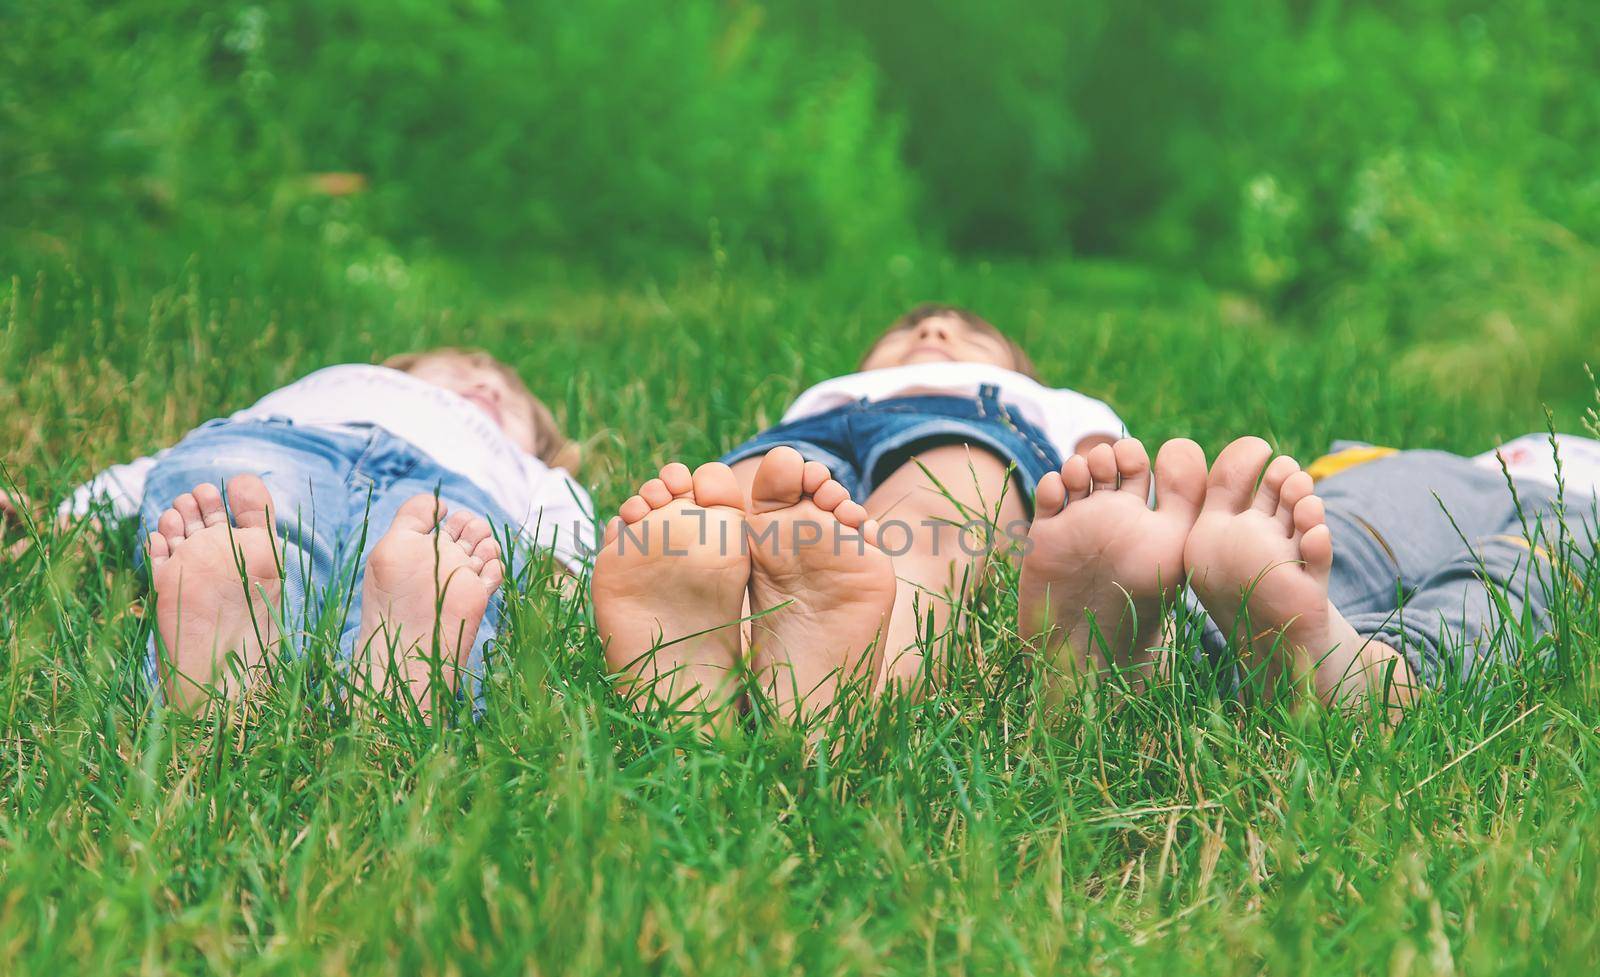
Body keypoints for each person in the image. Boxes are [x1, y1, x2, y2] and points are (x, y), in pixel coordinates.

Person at [591, 304, 1126, 727]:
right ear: (867, 364)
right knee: (738, 506)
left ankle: (850, 682)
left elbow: (1107, 471)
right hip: (806, 439)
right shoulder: (825, 395)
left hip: (969, 428)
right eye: (907, 332)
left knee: (930, 523)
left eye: (967, 333)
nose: (933, 331)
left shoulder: (1048, 400)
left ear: (1015, 368)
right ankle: (731, 661)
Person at [8, 348, 593, 715]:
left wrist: (571, 578)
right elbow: (152, 469)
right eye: (464, 368)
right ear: (398, 370)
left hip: (455, 485)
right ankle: (381, 703)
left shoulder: (529, 470)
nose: (487, 385)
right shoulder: (336, 388)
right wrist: (66, 522)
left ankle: (386, 678)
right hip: (281, 441)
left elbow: (566, 530)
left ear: (538, 447)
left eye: (510, 400)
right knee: (245, 516)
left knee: (434, 566)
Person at [1016, 430, 1599, 708]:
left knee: (1516, 574)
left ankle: (1362, 676)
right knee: (1325, 540)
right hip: (1458, 466)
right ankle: (1165, 651)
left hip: (1561, 499)